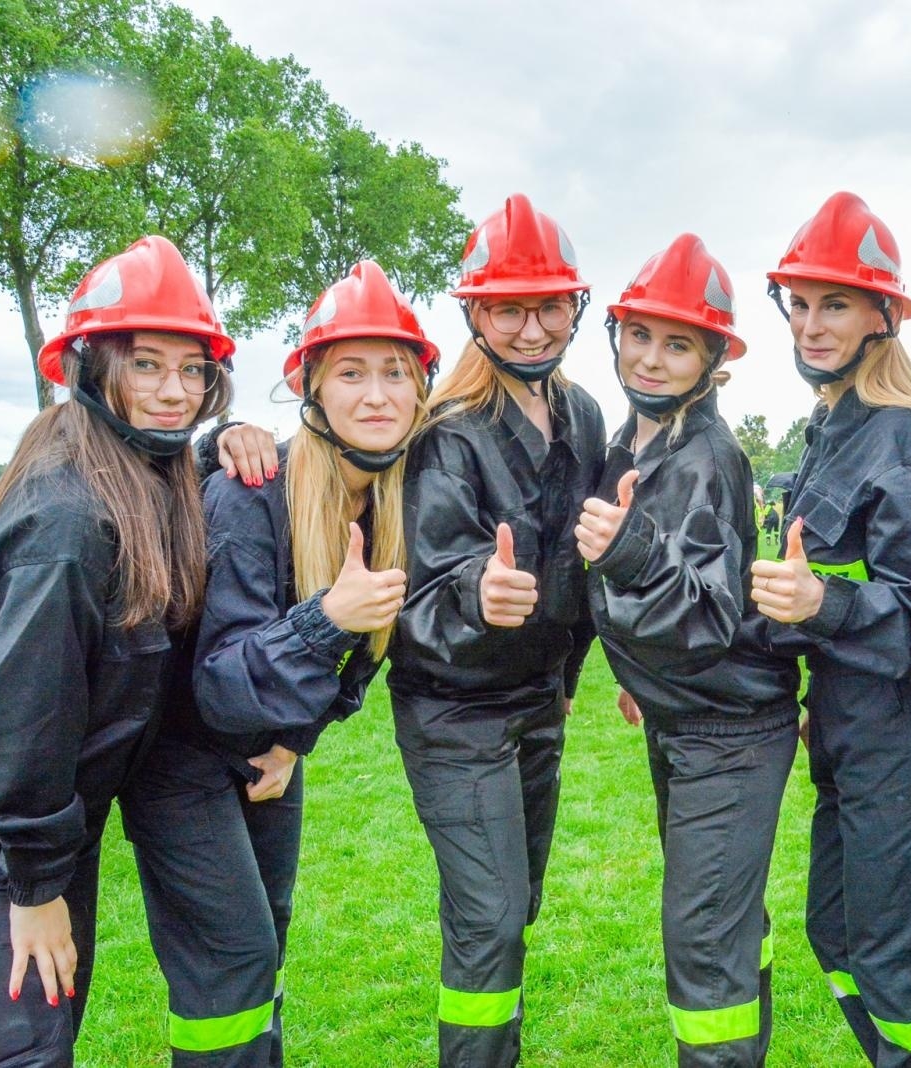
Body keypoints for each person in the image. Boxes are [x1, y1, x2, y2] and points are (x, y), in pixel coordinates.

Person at [0, 235, 236, 1066]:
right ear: (93, 368)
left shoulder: (139, 469)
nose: (175, 391)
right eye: (146, 364)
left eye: (192, 368)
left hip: (45, 832)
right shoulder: (69, 518)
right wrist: (32, 889)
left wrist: (227, 441)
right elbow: (18, 719)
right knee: (18, 1054)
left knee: (48, 1037)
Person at [118, 260, 434, 1067]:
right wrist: (325, 621)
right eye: (351, 373)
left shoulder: (397, 500)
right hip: (180, 756)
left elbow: (354, 673)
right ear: (312, 390)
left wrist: (298, 739)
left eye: (394, 373)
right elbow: (220, 685)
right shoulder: (252, 490)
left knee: (267, 943)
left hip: (267, 754)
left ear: (420, 391)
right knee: (230, 964)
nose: (375, 395)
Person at [749, 192, 911, 1066]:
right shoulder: (831, 430)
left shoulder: (903, 436)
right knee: (837, 934)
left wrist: (823, 609)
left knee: (898, 965)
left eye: (834, 303)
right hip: (847, 724)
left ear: (885, 313)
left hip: (907, 732)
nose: (810, 324)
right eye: (800, 304)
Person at [391, 193, 605, 1066]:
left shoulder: (587, 414)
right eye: (509, 308)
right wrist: (481, 594)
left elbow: (596, 556)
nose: (530, 327)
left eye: (548, 304)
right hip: (455, 711)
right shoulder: (445, 434)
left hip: (538, 703)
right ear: (476, 313)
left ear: (574, 307)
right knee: (487, 926)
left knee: (515, 912)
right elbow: (426, 591)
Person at [575, 235, 800, 1066]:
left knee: (701, 941)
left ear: (712, 362)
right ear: (618, 337)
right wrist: (636, 669)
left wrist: (629, 551)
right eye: (642, 336)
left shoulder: (705, 456)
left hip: (730, 729)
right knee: (727, 922)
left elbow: (704, 616)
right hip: (686, 717)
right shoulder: (632, 444)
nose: (655, 358)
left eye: (679, 345)